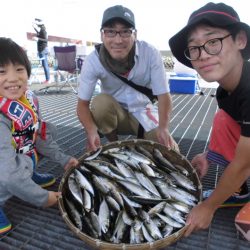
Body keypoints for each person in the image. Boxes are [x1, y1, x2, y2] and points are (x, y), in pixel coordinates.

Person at [169, 2, 250, 237]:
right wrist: (208, 157)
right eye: (194, 48)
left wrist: (208, 206)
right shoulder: (225, 91)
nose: (203, 54)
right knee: (223, 119)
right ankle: (240, 189)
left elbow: (244, 161)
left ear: (240, 41)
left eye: (213, 41)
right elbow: (235, 133)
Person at [0, 37, 79, 234]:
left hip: (17, 160)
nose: (13, 78)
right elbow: (7, 173)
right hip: (4, 169)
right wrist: (43, 198)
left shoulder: (28, 100)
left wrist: (63, 159)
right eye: (1, 71)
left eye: (19, 69)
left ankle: (27, 177)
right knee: (9, 176)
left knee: (34, 139)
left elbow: (39, 136)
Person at [77, 5, 178, 152]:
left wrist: (163, 128)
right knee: (100, 103)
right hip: (114, 115)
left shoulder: (150, 53)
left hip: (144, 112)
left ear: (135, 35)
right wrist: (91, 131)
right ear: (102, 35)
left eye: (125, 32)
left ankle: (147, 141)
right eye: (110, 32)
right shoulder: (93, 60)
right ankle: (114, 147)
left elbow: (164, 96)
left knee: (171, 152)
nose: (118, 40)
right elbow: (82, 105)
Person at [32, 18, 50, 84]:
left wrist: (37, 39)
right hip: (42, 49)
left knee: (45, 64)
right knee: (44, 64)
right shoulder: (41, 30)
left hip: (43, 49)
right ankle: (47, 79)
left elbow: (45, 40)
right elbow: (38, 32)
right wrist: (34, 27)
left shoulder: (43, 30)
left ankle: (47, 80)